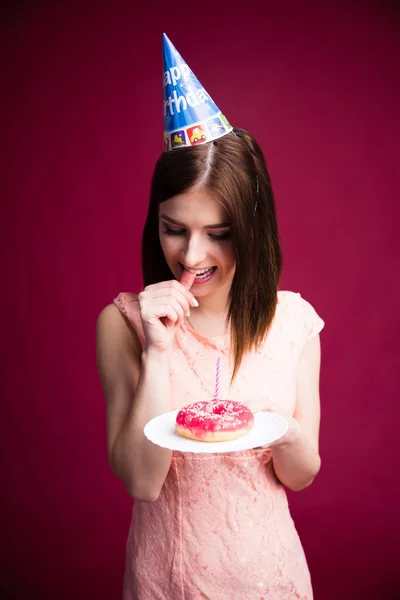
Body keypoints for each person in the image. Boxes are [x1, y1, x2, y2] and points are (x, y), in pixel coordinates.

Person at [96, 35, 324, 600]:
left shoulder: (293, 323)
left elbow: (300, 474)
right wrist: (156, 351)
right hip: (166, 582)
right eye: (175, 228)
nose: (192, 256)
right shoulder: (120, 323)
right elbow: (143, 482)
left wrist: (283, 429)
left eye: (218, 235)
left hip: (276, 582)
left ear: (252, 231)